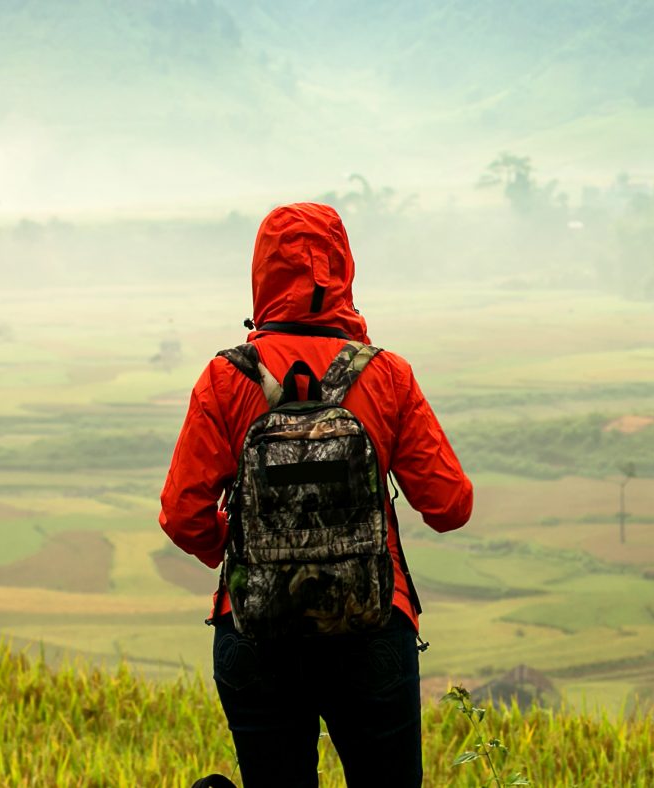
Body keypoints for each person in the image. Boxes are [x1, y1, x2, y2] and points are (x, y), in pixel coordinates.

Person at [160, 202, 473, 786]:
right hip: (373, 628)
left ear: (260, 276)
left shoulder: (225, 379)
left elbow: (182, 515)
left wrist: (245, 548)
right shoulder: (387, 376)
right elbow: (451, 506)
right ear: (344, 271)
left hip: (254, 632)